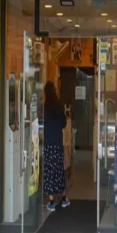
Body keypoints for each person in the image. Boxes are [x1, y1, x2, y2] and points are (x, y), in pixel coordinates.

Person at [42, 81, 70, 211]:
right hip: (57, 144)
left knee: (49, 172)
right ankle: (64, 199)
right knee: (59, 171)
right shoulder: (58, 106)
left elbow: (41, 124)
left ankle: (52, 202)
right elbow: (64, 124)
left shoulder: (44, 108)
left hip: (48, 143)